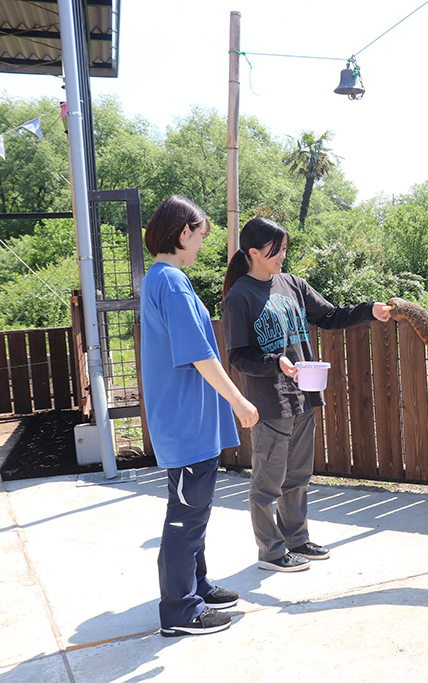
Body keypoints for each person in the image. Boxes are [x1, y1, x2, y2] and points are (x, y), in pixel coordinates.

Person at [220, 217, 392, 573]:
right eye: (276, 250)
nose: (283, 255)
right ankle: (270, 552)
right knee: (267, 483)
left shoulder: (292, 285)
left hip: (303, 397)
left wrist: (370, 312)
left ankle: (296, 540)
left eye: (284, 248)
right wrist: (274, 362)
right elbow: (238, 356)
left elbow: (329, 316)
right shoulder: (239, 297)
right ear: (253, 252)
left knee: (297, 477)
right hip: (270, 404)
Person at [140, 195, 259, 637]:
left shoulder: (162, 278)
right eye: (200, 236)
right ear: (182, 231)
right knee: (185, 516)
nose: (202, 246)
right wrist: (238, 400)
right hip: (186, 423)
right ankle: (180, 610)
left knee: (194, 511)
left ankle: (197, 586)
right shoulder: (170, 281)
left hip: (184, 420)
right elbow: (200, 356)